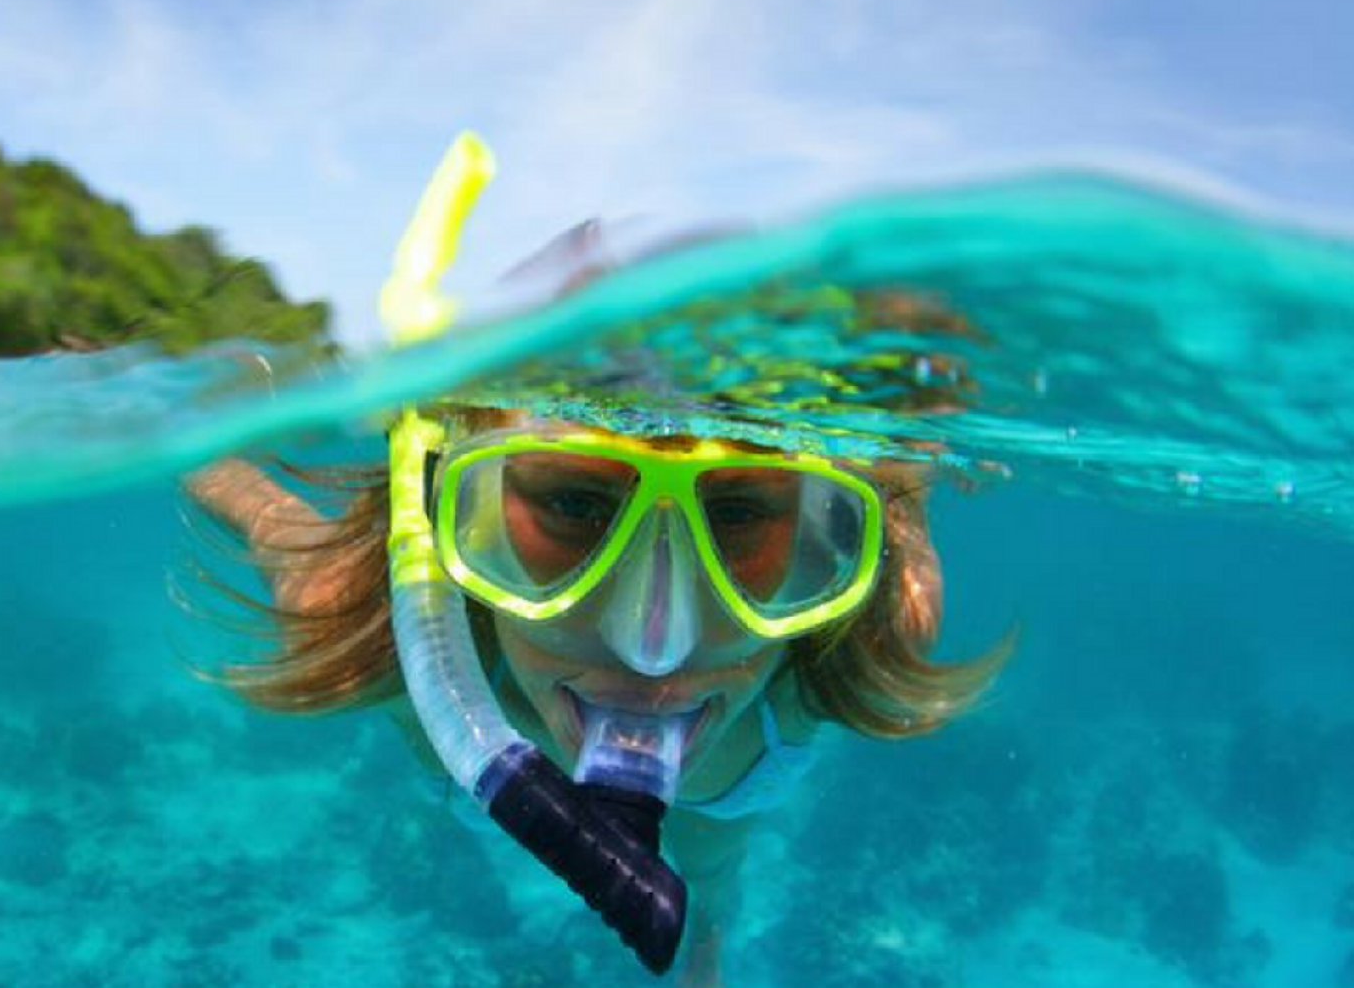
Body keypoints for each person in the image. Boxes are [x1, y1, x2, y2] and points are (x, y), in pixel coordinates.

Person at [185, 135, 1010, 985]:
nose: (653, 648)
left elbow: (897, 485)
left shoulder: (880, 616)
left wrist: (905, 447)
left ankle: (709, 935)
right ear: (440, 510)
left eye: (738, 514)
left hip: (728, 790)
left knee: (715, 862)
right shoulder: (352, 606)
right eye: (576, 506)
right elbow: (241, 489)